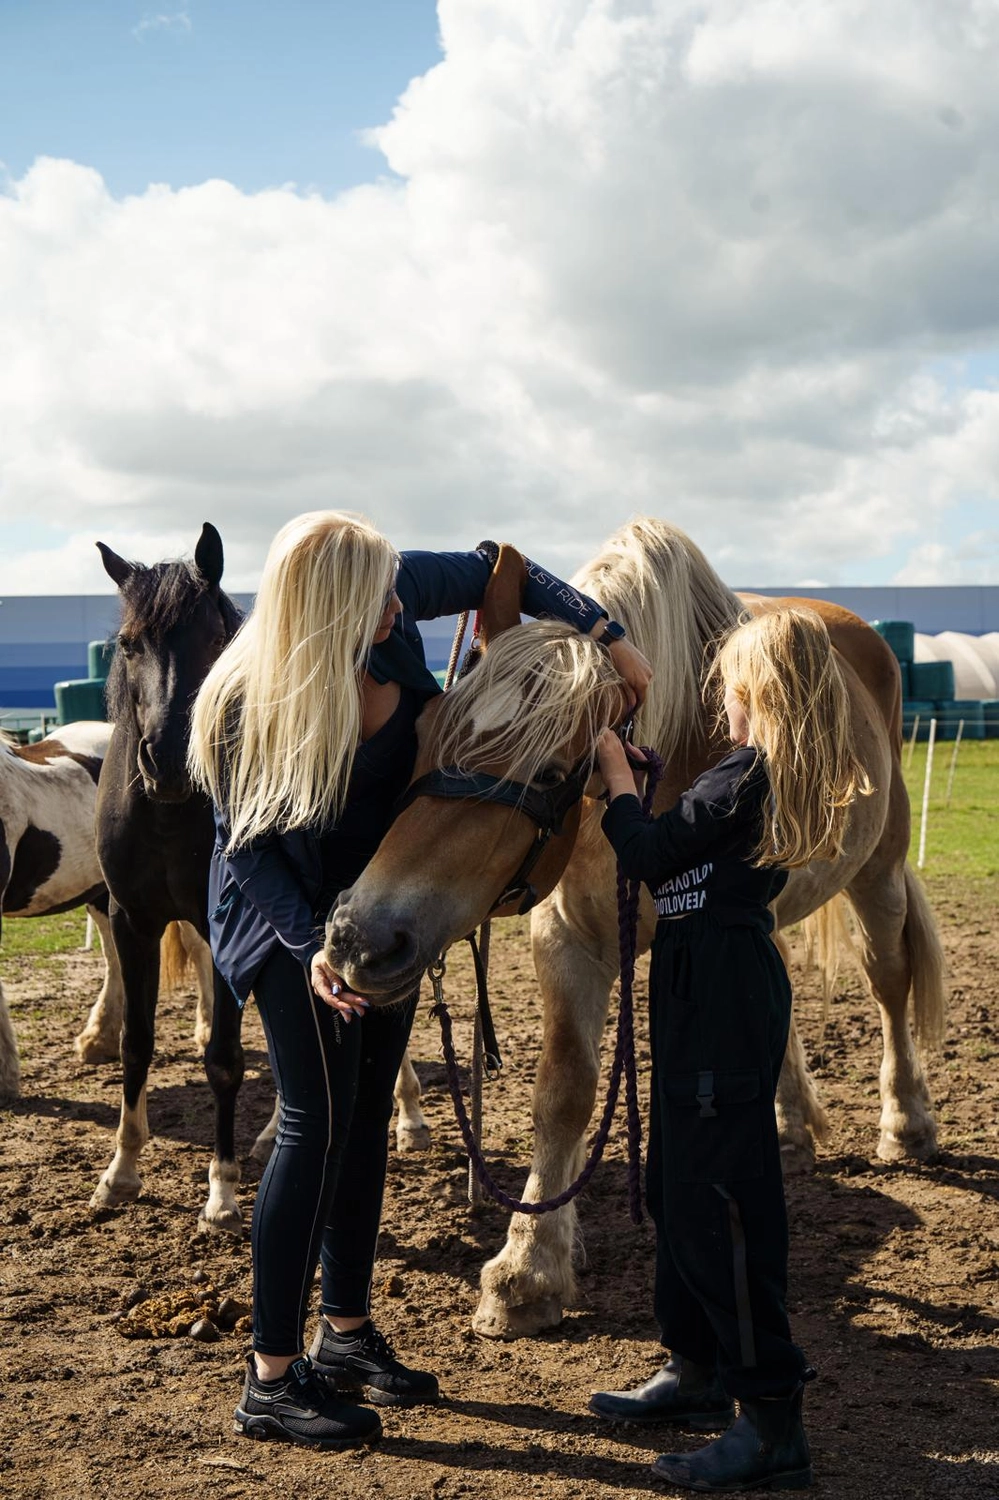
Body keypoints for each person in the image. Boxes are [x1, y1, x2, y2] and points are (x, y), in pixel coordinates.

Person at [188, 510, 652, 1451]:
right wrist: (310, 945)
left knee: (365, 1122)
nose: (403, 604)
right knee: (314, 1125)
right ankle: (271, 1377)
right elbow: (249, 854)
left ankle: (347, 1335)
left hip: (389, 901)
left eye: (398, 589)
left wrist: (611, 640)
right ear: (326, 612)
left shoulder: (387, 603)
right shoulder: (246, 702)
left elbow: (500, 570)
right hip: (287, 920)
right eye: (382, 598)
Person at [590, 606, 872, 1493]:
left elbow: (648, 851)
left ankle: (769, 1418)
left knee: (721, 1202)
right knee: (680, 1182)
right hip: (702, 981)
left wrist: (614, 781)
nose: (717, 699)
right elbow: (684, 851)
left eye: (725, 686)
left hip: (717, 988)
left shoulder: (746, 773)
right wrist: (643, 790)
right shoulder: (740, 779)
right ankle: (695, 1365)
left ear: (752, 693)